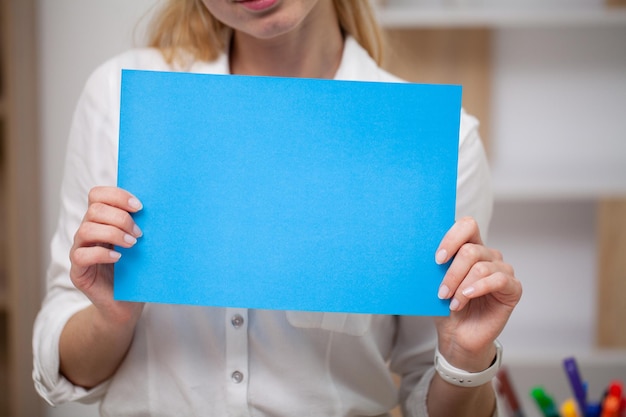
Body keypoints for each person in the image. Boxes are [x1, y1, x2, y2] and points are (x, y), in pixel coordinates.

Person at [33, 0, 522, 416]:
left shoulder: (437, 143)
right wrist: (108, 322)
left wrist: (464, 359)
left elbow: (426, 383)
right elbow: (67, 366)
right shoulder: (117, 98)